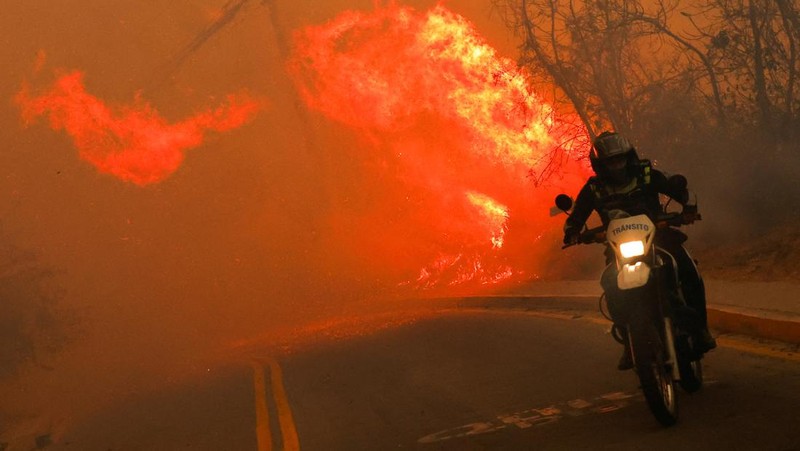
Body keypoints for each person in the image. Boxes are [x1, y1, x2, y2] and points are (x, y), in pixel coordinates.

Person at [563, 131, 716, 370]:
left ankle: (701, 330)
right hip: (619, 248)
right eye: (610, 162)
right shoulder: (594, 188)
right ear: (600, 165)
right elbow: (576, 216)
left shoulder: (646, 173)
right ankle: (630, 342)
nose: (617, 166)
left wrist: (687, 207)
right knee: (610, 282)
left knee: (687, 268)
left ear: (628, 157)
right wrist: (572, 231)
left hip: (660, 237)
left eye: (620, 159)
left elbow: (680, 189)